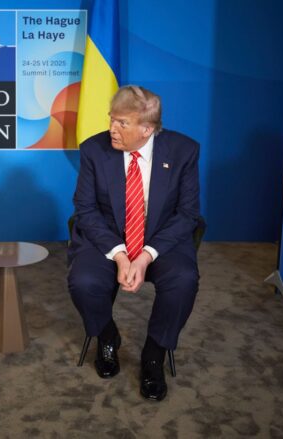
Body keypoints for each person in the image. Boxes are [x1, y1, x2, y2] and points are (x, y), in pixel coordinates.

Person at [68, 85, 200, 401]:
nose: (112, 129)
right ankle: (107, 336)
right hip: (109, 237)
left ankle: (154, 354)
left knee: (184, 280)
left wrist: (145, 256)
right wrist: (120, 255)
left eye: (122, 123)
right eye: (111, 119)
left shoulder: (183, 151)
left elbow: (187, 214)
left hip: (160, 240)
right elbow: (85, 209)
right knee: (83, 281)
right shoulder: (93, 150)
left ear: (147, 129)